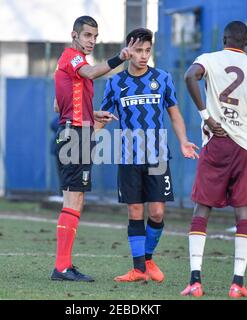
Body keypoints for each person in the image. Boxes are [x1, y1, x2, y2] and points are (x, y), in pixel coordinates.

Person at [182, 21, 247, 298]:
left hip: (215, 142)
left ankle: (195, 281)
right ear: (246, 42)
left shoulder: (209, 59)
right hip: (243, 147)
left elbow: (190, 77)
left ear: (224, 39)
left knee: (202, 210)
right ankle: (237, 283)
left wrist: (205, 117)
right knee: (243, 213)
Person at [97, 28, 199, 283]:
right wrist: (86, 138)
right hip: (128, 157)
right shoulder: (115, 82)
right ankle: (138, 269)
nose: (143, 56)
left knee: (156, 213)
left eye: (147, 51)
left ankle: (148, 258)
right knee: (134, 211)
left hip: (157, 156)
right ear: (128, 50)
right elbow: (102, 118)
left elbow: (174, 114)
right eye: (138, 51)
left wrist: (184, 141)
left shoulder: (162, 78)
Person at [51, 16, 138, 282]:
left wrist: (92, 113)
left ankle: (64, 265)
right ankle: (62, 267)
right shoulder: (73, 58)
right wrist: (120, 57)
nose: (91, 41)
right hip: (74, 135)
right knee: (74, 200)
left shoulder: (73, 65)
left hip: (77, 131)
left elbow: (58, 105)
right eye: (87, 35)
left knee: (75, 199)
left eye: (95, 36)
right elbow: (90, 73)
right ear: (74, 35)